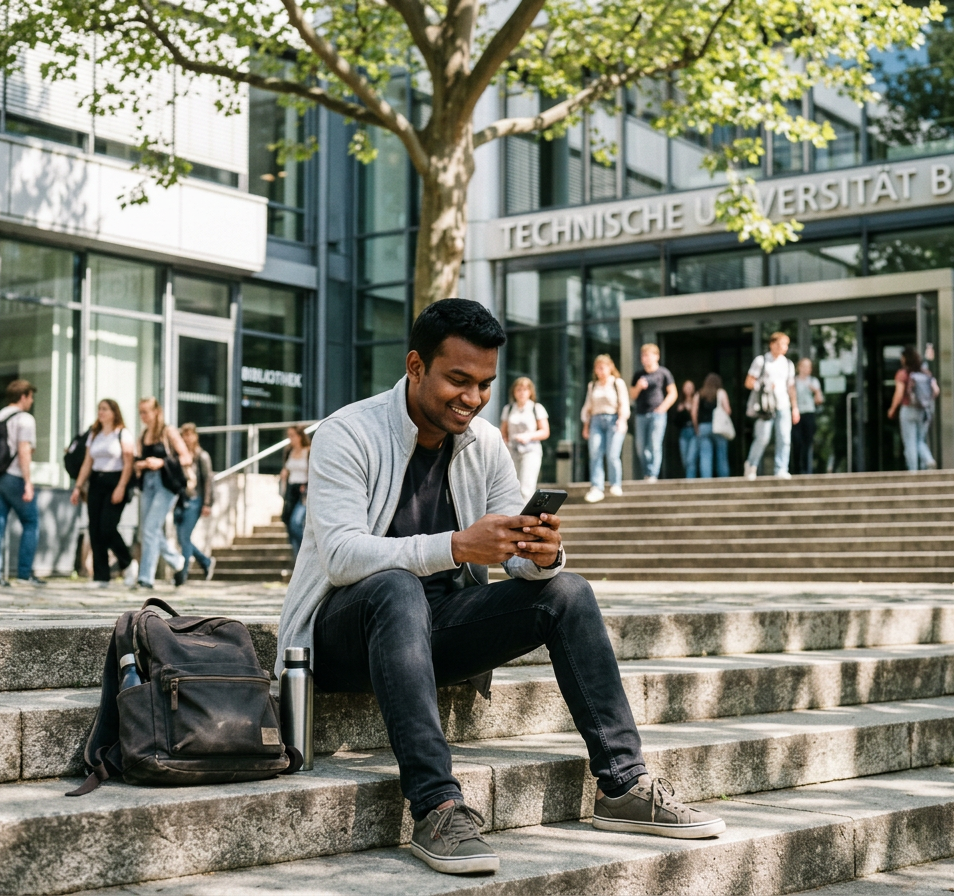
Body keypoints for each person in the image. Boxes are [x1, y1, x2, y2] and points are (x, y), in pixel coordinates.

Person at [275, 299, 725, 878]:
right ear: (415, 366)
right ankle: (436, 806)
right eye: (457, 380)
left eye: (485, 384)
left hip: (436, 634)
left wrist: (543, 554)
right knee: (395, 586)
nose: (472, 398)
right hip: (344, 636)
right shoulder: (348, 433)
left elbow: (513, 554)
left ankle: (623, 785)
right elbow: (341, 556)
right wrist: (458, 545)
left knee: (569, 590)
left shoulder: (484, 444)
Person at [70, 399, 136, 588]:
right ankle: (101, 576)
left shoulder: (123, 434)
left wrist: (121, 486)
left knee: (107, 527)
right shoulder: (95, 434)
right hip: (96, 483)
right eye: (99, 409)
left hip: (116, 481)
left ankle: (128, 563)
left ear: (114, 412)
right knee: (95, 529)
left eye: (105, 409)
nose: (101, 412)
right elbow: (87, 463)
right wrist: (78, 486)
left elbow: (128, 463)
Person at [0, 379, 44, 588]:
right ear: (23, 396)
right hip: (14, 476)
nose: (31, 400)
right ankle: (24, 575)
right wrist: (28, 482)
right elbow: (24, 450)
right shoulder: (25, 418)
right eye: (30, 396)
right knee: (31, 522)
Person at [132, 397, 193, 590]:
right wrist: (142, 464)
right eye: (140, 412)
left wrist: (161, 462)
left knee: (150, 528)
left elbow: (186, 457)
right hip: (148, 483)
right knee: (149, 530)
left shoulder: (168, 431)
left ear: (156, 411)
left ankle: (145, 578)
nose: (143, 416)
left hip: (165, 484)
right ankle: (177, 561)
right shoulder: (143, 434)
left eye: (146, 411)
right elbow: (136, 460)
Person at [744, 332, 800, 481]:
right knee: (762, 437)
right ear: (772, 344)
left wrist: (795, 407)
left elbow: (791, 387)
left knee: (784, 437)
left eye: (786, 344)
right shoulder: (761, 361)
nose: (784, 347)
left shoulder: (788, 364)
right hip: (766, 406)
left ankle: (781, 469)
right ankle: (751, 466)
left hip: (783, 405)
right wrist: (764, 385)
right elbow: (749, 382)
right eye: (782, 344)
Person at [581, 354, 630, 503]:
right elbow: (588, 407)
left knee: (613, 453)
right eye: (597, 368)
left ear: (610, 368)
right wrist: (586, 425)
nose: (600, 371)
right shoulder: (593, 385)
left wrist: (622, 420)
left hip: (614, 419)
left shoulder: (617, 383)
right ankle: (597, 487)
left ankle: (615, 484)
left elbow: (624, 403)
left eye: (603, 367)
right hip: (596, 421)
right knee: (595, 453)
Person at [174, 422, 215, 584]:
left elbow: (208, 481)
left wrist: (207, 503)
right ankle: (205, 561)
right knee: (182, 538)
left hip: (196, 499)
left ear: (195, 436)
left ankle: (182, 574)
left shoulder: (202, 456)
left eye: (189, 434)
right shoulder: (180, 456)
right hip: (182, 500)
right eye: (184, 435)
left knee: (184, 537)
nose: (187, 438)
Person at [629, 344, 677, 482]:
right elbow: (632, 395)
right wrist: (638, 387)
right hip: (641, 414)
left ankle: (652, 474)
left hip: (657, 414)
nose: (645, 358)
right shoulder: (638, 375)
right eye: (643, 356)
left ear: (657, 356)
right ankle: (647, 472)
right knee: (640, 447)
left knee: (654, 445)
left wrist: (663, 407)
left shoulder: (664, 373)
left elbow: (673, 393)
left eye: (648, 355)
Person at [887, 346, 939, 472]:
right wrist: (925, 401)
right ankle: (928, 459)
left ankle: (913, 471)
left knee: (910, 441)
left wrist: (892, 409)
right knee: (920, 440)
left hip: (908, 409)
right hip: (923, 411)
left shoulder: (903, 374)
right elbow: (936, 391)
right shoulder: (925, 372)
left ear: (905, 359)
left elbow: (899, 394)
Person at [499, 377, 550, 499]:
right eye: (519, 389)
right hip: (512, 452)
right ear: (514, 392)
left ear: (530, 392)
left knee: (526, 488)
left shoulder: (536, 408)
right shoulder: (509, 409)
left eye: (525, 389)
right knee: (512, 487)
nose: (522, 392)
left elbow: (545, 432)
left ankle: (525, 516)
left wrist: (528, 436)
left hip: (530, 451)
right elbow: (503, 432)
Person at [279, 425, 311, 558]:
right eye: (289, 436)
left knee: (296, 522)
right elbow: (286, 468)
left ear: (299, 436)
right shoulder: (289, 451)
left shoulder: (308, 451)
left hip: (303, 490)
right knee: (287, 521)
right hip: (291, 490)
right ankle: (298, 557)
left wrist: (307, 484)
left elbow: (313, 471)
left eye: (292, 435)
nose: (290, 439)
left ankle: (308, 552)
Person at [692, 374, 732, 479]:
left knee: (705, 456)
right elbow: (727, 410)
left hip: (703, 427)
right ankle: (724, 480)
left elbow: (694, 412)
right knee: (721, 455)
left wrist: (696, 428)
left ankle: (706, 480)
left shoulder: (699, 394)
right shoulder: (721, 393)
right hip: (718, 428)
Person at [791, 358, 823, 475]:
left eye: (809, 366)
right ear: (799, 367)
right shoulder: (793, 381)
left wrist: (816, 391)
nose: (806, 369)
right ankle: (796, 470)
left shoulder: (814, 381)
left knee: (807, 443)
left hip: (809, 414)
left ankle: (806, 469)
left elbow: (819, 401)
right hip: (796, 414)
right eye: (804, 366)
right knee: (797, 441)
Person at [673, 381, 697, 479]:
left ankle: (690, 480)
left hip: (693, 431)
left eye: (690, 387)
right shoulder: (680, 403)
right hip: (683, 432)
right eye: (686, 387)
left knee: (691, 459)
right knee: (684, 459)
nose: (688, 389)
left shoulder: (696, 401)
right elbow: (675, 422)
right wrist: (680, 411)